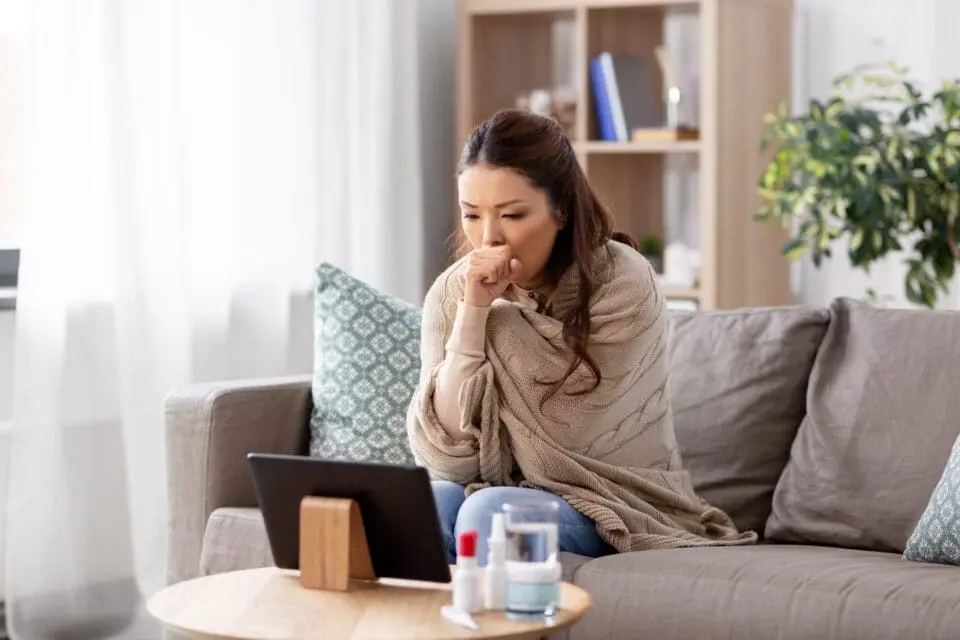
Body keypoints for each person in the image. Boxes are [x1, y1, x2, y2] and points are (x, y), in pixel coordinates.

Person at [406, 109, 756, 565]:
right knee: (429, 505)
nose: (488, 238)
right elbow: (445, 458)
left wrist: (500, 327)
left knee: (494, 514)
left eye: (512, 215)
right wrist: (473, 314)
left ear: (561, 210)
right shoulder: (455, 293)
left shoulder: (624, 283)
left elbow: (566, 435)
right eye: (471, 215)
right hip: (491, 491)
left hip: (614, 500)